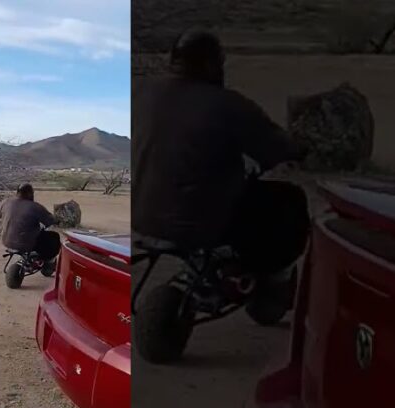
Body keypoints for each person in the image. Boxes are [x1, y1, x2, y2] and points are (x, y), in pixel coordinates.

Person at [132, 29, 310, 281]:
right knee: (289, 199)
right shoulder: (227, 104)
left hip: (140, 218)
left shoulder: (140, 94)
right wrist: (299, 148)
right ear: (211, 64)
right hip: (199, 224)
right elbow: (277, 147)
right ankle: (266, 275)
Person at [0, 184, 60, 267]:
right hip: (27, 244)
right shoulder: (35, 207)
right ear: (29, 193)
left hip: (6, 241)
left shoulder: (6, 202)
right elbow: (50, 220)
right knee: (54, 237)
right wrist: (57, 220)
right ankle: (46, 261)